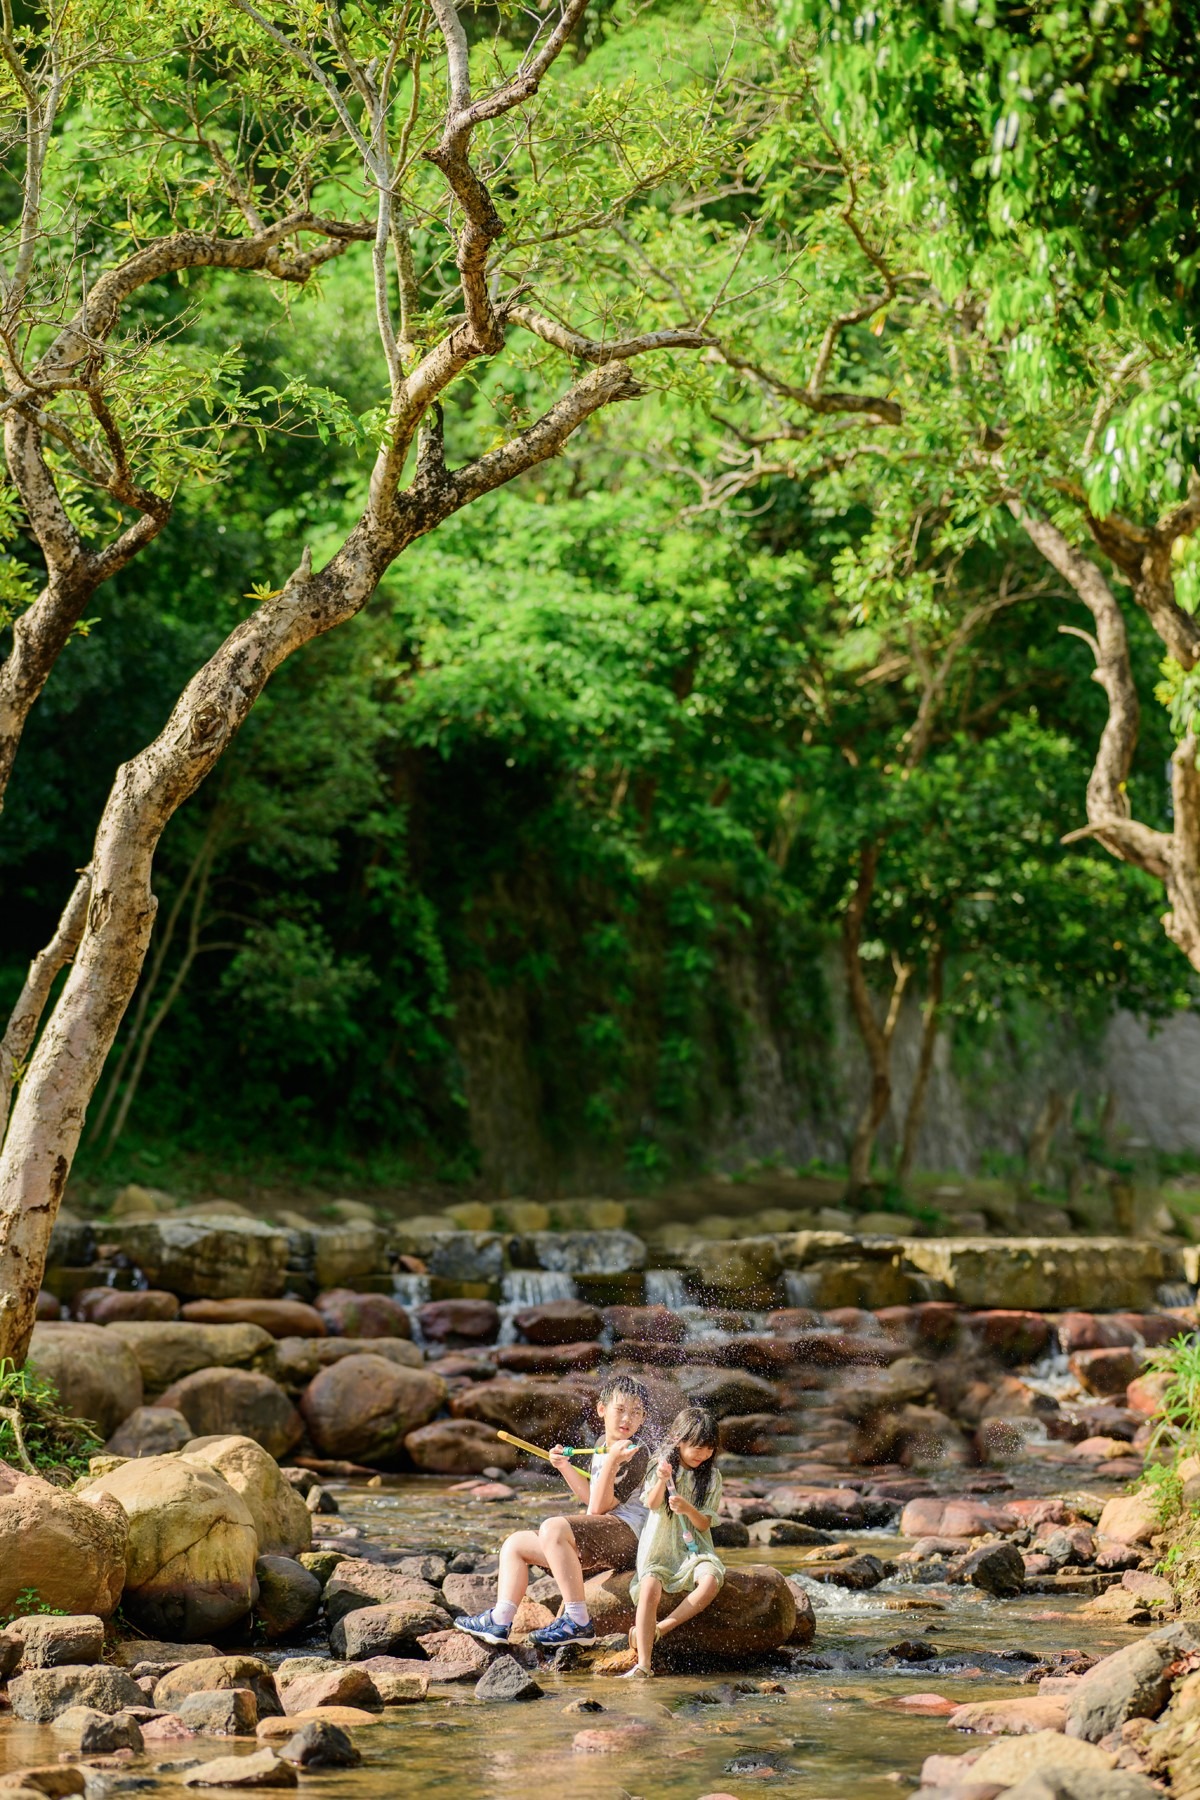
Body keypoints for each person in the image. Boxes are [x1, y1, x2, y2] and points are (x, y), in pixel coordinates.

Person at [455, 1372, 651, 1649]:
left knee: (553, 1527)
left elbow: (599, 1507)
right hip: (605, 1532)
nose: (627, 1419)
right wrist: (564, 1467)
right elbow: (591, 1497)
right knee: (515, 1544)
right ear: (602, 1409)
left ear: (643, 1419)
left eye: (636, 1413)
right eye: (620, 1410)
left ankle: (577, 1621)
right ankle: (500, 1620)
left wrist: (611, 1463)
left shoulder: (636, 1452)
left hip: (630, 1537)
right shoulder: (600, 1446)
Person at [622, 1402, 724, 1678]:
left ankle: (662, 1628)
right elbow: (653, 1504)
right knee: (650, 1587)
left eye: (709, 1448)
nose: (703, 1454)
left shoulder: (712, 1477)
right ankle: (643, 1664)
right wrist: (661, 1480)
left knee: (711, 1580)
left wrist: (687, 1508)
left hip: (694, 1549)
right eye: (697, 1447)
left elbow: (704, 1523)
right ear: (678, 1441)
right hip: (659, 1545)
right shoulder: (661, 1465)